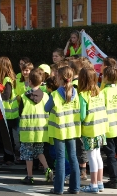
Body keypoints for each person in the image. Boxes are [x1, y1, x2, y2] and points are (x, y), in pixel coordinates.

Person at [45, 66, 81, 194]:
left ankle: (58, 189)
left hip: (59, 130)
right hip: (72, 129)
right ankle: (75, 187)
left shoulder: (55, 94)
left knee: (60, 158)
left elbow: (46, 108)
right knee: (73, 157)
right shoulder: (76, 93)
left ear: (60, 78)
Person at [19, 68, 53, 184]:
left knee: (28, 154)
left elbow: (20, 112)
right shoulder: (46, 96)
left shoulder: (24, 97)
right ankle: (47, 169)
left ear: (29, 82)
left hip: (27, 132)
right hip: (41, 131)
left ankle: (30, 176)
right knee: (39, 151)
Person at [78, 67, 108, 193]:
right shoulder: (99, 92)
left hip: (90, 130)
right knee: (97, 156)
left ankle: (93, 185)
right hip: (101, 129)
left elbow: (82, 116)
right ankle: (100, 183)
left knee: (91, 157)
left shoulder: (83, 95)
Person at [0, 56, 18, 165]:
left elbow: (6, 96)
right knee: (6, 136)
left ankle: (9, 157)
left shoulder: (7, 79)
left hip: (8, 113)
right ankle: (8, 156)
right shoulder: (9, 78)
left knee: (7, 137)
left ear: (3, 66)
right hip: (8, 113)